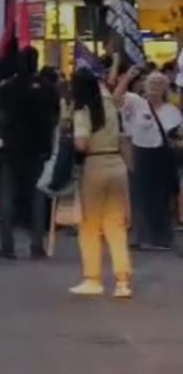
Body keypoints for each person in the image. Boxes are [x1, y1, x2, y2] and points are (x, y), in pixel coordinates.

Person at [70, 67, 132, 298]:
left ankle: (92, 278)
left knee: (89, 226)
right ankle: (122, 281)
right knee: (115, 225)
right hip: (116, 163)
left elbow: (82, 144)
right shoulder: (108, 102)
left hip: (94, 166)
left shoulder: (82, 110)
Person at [0, 46, 55, 260]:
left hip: (11, 148)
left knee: (7, 198)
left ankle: (7, 246)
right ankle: (36, 245)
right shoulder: (47, 88)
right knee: (37, 197)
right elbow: (53, 117)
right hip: (38, 149)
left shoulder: (7, 87)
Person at [115, 67, 181, 250]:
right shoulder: (136, 102)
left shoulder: (172, 111)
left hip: (163, 157)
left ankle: (160, 238)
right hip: (141, 154)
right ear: (144, 84)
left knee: (161, 198)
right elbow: (116, 99)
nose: (155, 86)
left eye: (160, 83)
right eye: (151, 82)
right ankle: (140, 237)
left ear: (166, 88)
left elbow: (177, 137)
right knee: (141, 197)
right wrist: (127, 78)